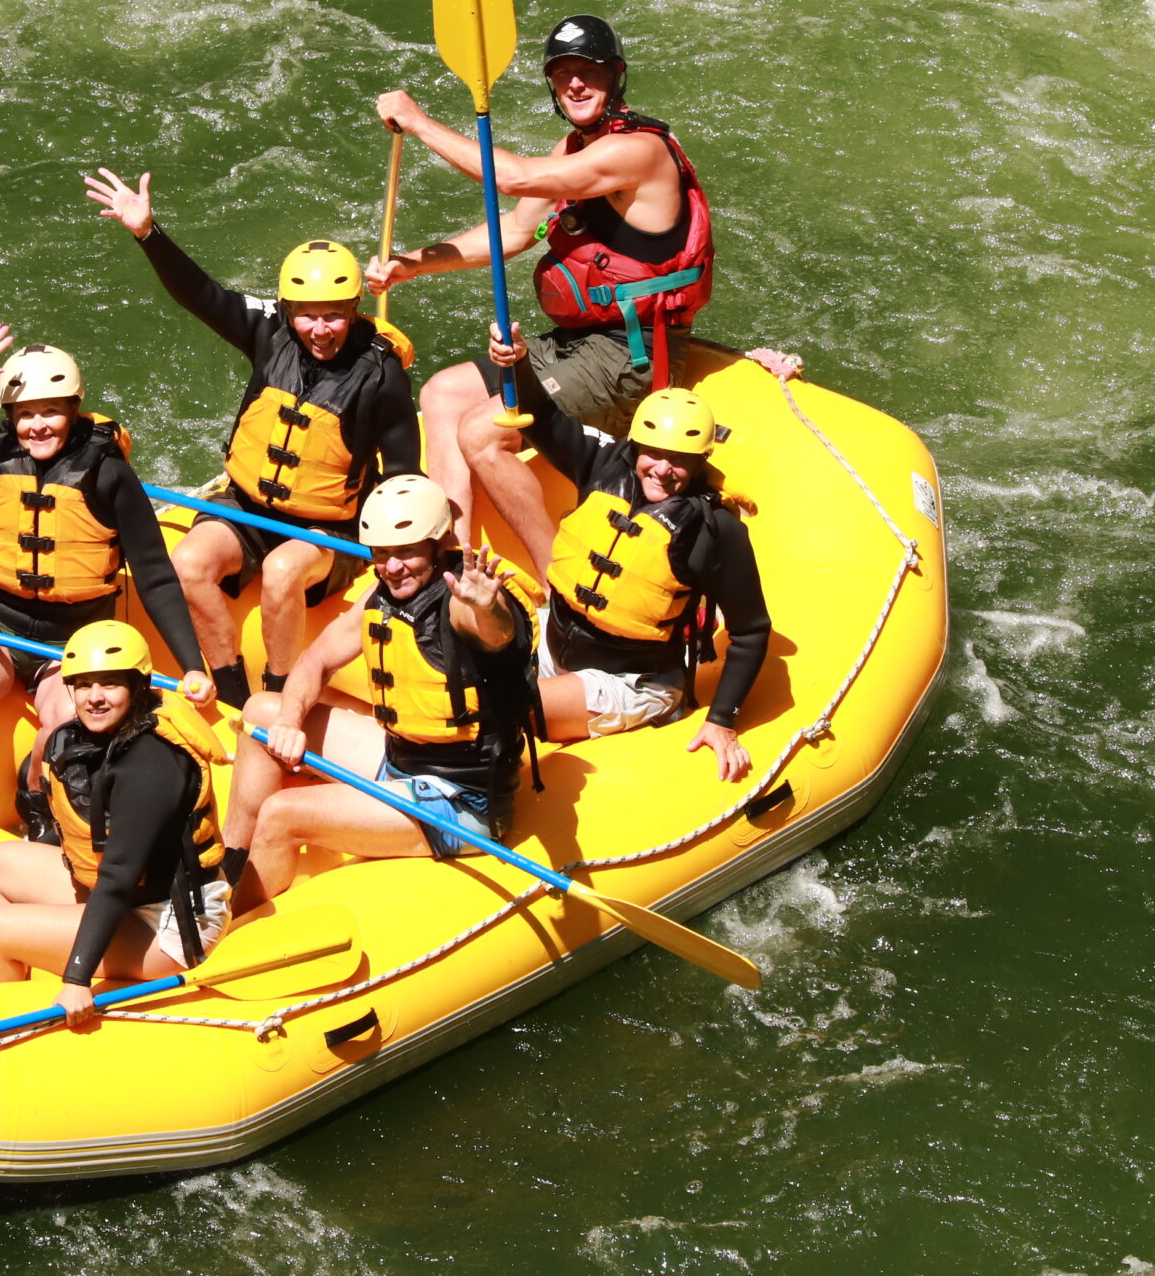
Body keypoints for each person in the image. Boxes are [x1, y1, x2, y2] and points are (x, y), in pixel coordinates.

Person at [367, 15, 797, 574]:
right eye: (562, 73)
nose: (575, 84)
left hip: (631, 356)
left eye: (588, 71)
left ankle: (557, 583)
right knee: (442, 393)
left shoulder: (639, 152)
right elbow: (516, 229)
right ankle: (454, 563)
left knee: (481, 433)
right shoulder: (573, 148)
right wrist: (411, 265)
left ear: (616, 75)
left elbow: (514, 179)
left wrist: (420, 122)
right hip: (580, 343)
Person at [84, 167, 420, 704]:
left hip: (329, 527)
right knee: (188, 564)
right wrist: (148, 233)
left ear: (354, 309)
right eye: (308, 316)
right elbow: (202, 295)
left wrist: (407, 552)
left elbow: (404, 474)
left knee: (284, 570)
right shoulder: (269, 333)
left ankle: (280, 694)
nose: (320, 330)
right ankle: (232, 688)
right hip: (245, 507)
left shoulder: (382, 376)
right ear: (288, 311)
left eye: (334, 316)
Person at [0, 325, 213, 814]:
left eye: (50, 411)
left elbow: (154, 574)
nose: (37, 426)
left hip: (70, 638)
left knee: (69, 722)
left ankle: (35, 795)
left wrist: (192, 664)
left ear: (73, 410)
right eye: (25, 414)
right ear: (10, 417)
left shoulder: (108, 473)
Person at [220, 474, 540, 901]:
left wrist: (486, 608)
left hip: (459, 801)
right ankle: (225, 870)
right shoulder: (384, 592)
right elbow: (317, 660)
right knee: (263, 710)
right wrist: (290, 722)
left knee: (282, 814)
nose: (392, 567)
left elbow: (496, 635)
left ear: (438, 543)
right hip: (401, 760)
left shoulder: (464, 603)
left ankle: (231, 923)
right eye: (383, 553)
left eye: (406, 552)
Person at [488, 330, 770, 783]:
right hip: (555, 643)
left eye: (680, 459)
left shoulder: (715, 529)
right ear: (636, 446)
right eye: (653, 453)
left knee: (497, 709)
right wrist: (518, 363)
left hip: (632, 681)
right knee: (457, 663)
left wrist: (722, 720)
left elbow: (752, 632)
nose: (663, 469)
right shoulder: (604, 464)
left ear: (700, 461)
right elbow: (543, 419)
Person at [0, 621, 233, 1028]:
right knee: (1, 862)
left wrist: (77, 978)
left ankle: (3, 1035)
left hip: (170, 923)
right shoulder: (98, 736)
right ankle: (19, 985)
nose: (94, 697)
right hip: (135, 895)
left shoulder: (152, 763)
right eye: (83, 685)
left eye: (110, 684)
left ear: (138, 685)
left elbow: (119, 876)